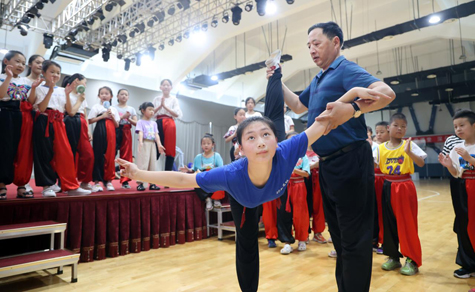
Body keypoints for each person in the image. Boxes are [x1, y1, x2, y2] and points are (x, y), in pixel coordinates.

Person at [117, 53, 383, 291]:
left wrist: (353, 100)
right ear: (240, 149)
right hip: (245, 199)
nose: (261, 142)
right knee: (245, 246)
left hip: (279, 175)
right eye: (252, 138)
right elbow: (183, 178)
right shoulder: (232, 173)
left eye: (266, 136)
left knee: (274, 122)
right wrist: (139, 173)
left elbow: (323, 121)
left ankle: (275, 72)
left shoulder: (284, 149)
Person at [266, 21, 395, 291]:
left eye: (317, 43)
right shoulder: (319, 78)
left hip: (350, 160)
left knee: (354, 240)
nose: (312, 50)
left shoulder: (345, 69)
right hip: (328, 166)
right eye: (309, 46)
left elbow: (386, 93)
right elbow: (299, 106)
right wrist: (276, 81)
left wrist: (353, 109)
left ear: (336, 42)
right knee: (340, 240)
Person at [374, 113, 426, 276]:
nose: (400, 129)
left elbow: (421, 163)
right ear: (389, 128)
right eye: (396, 125)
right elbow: (374, 166)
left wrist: (409, 152)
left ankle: (412, 260)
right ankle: (393, 256)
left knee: (407, 224)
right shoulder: (380, 148)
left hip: (404, 185)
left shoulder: (409, 145)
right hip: (387, 185)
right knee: (388, 223)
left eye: (403, 126)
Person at [32, 60, 91, 197]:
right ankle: (47, 186)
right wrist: (50, 90)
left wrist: (66, 94)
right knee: (44, 154)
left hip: (60, 121)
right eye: (51, 72)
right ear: (43, 73)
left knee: (66, 154)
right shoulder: (39, 87)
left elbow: (69, 111)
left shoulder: (63, 90)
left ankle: (71, 185)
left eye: (58, 73)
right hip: (44, 120)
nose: (55, 75)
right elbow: (41, 108)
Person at [438, 109, 475, 279]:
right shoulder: (456, 147)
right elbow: (456, 173)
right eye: (455, 126)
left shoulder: (466, 150)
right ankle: (468, 264)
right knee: (463, 225)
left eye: (462, 125)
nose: (458, 129)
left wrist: (470, 158)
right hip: (462, 186)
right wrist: (449, 166)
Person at [0, 51, 36, 199]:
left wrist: (33, 88)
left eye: (23, 62)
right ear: (6, 61)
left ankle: (22, 184)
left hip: (22, 116)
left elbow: (31, 102)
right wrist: (8, 77)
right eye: (17, 61)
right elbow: (1, 96)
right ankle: (1, 184)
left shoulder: (26, 81)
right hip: (4, 114)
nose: (21, 65)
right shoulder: (1, 77)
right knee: (4, 149)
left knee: (22, 150)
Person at [278, 131, 311, 255]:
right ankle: (287, 242)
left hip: (299, 186)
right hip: (285, 186)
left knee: (300, 213)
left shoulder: (303, 156)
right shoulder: (283, 155)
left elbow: (306, 173)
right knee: (284, 213)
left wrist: (293, 170)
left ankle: (302, 239)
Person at [17, 54, 45, 194]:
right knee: (23, 150)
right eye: (37, 62)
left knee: (41, 151)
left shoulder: (47, 84)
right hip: (24, 117)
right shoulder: (22, 81)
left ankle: (45, 183)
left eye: (42, 63)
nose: (40, 65)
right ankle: (23, 182)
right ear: (29, 64)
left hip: (42, 119)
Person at [62, 73, 94, 190]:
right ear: (77, 80)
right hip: (70, 122)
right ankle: (66, 181)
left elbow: (84, 114)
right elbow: (70, 112)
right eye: (84, 82)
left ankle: (85, 181)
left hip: (82, 123)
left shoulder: (82, 96)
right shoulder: (66, 93)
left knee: (88, 154)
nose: (85, 85)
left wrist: (88, 130)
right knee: (69, 154)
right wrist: (80, 100)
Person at [180, 133, 225, 210]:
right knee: (195, 181)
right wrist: (188, 170)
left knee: (221, 179)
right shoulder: (198, 157)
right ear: (201, 145)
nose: (206, 145)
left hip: (214, 177)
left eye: (208, 143)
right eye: (204, 144)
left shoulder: (216, 155)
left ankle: (216, 199)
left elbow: (221, 169)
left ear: (213, 145)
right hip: (203, 177)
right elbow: (194, 169)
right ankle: (207, 199)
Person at [88, 86, 120, 192]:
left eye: (107, 93)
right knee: (98, 154)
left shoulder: (114, 109)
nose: (104, 95)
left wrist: (112, 116)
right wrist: (103, 116)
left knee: (110, 155)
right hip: (100, 130)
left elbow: (117, 125)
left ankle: (109, 181)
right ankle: (97, 182)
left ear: (111, 96)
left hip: (111, 131)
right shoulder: (96, 107)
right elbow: (90, 120)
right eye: (102, 93)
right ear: (99, 96)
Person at [153, 79, 182, 172]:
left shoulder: (174, 99)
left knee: (170, 148)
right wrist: (160, 106)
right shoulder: (156, 99)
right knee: (156, 146)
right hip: (158, 121)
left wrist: (165, 106)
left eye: (168, 85)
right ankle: (152, 174)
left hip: (169, 122)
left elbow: (177, 114)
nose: (166, 86)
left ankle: (167, 174)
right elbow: (151, 112)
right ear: (160, 87)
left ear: (171, 87)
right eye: (164, 85)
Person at [135, 102, 165, 191]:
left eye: (153, 110)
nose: (152, 112)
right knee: (143, 163)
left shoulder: (154, 123)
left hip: (152, 144)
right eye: (150, 109)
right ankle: (140, 183)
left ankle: (152, 183)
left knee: (153, 164)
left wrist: (159, 144)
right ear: (143, 111)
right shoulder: (140, 122)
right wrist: (140, 142)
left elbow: (156, 134)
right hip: (145, 143)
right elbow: (140, 132)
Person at [114, 88, 137, 189]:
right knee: (111, 154)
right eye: (122, 94)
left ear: (128, 97)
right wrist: (123, 117)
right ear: (117, 96)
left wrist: (129, 118)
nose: (124, 96)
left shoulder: (131, 109)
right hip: (114, 130)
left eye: (126, 94)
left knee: (126, 157)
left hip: (126, 131)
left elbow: (136, 123)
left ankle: (125, 181)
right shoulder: (113, 107)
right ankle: (107, 180)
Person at [373, 120, 390, 254]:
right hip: (374, 179)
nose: (378, 135)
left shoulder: (391, 147)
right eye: (377, 132)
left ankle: (385, 241)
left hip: (386, 179)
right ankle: (375, 240)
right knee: (374, 212)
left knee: (385, 212)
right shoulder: (374, 147)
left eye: (382, 132)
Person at [307, 147, 327, 244]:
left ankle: (318, 233)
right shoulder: (301, 152)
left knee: (319, 207)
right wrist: (312, 166)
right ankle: (304, 234)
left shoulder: (321, 151)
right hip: (305, 180)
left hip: (319, 179)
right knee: (305, 208)